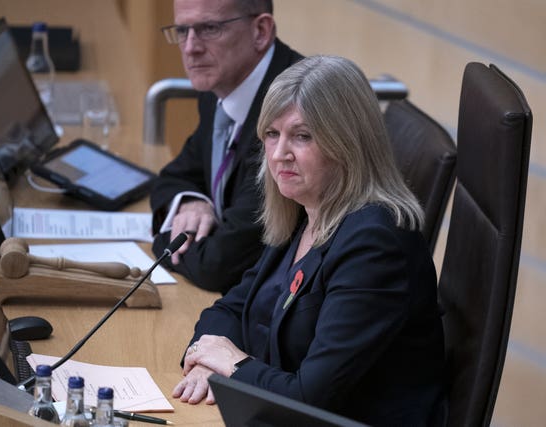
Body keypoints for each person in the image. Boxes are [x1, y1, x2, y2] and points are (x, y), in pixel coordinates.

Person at [172, 55, 447, 426]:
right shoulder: (306, 209)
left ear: (346, 144)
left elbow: (309, 398)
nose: (279, 153)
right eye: (272, 134)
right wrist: (208, 360)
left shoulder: (375, 245)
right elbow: (233, 308)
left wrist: (234, 366)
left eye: (302, 136)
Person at [150, 0, 302, 294]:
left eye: (209, 28)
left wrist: (165, 239)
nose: (191, 47)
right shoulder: (221, 87)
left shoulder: (292, 114)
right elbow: (175, 175)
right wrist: (192, 202)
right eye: (182, 30)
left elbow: (218, 265)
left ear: (260, 30)